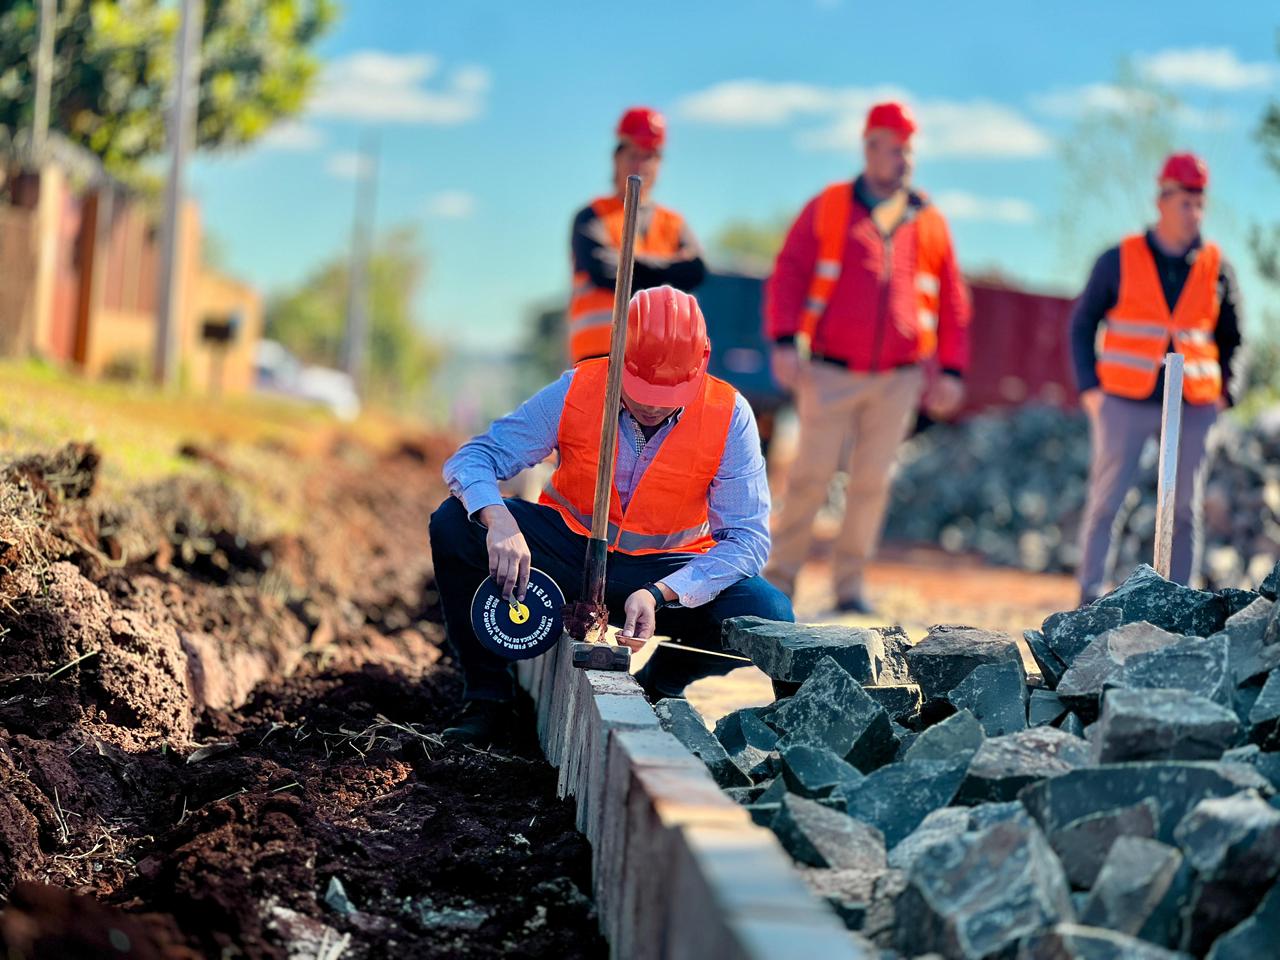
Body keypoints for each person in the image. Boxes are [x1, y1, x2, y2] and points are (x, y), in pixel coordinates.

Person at [430, 286, 793, 745]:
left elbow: (748, 540)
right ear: (618, 350)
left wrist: (664, 593)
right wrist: (498, 520)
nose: (653, 404)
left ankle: (662, 685)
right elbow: (475, 458)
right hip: (570, 555)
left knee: (767, 611)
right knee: (453, 523)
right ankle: (489, 697)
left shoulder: (729, 415)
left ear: (701, 363)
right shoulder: (579, 387)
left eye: (669, 393)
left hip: (666, 572)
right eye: (642, 389)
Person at [763, 101, 971, 614]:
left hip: (898, 379)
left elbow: (952, 298)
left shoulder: (929, 219)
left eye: (910, 150)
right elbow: (788, 272)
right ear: (871, 147)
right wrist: (785, 340)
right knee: (810, 477)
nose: (905, 160)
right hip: (830, 370)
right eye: (896, 149)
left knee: (872, 485)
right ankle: (780, 582)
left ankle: (849, 589)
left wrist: (951, 369)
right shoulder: (830, 205)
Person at [1072, 151, 1245, 602]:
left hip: (1194, 404)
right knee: (1107, 501)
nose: (1194, 213)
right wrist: (1091, 390)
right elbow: (1082, 323)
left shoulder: (1216, 265)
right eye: (1185, 202)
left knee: (1185, 508)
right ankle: (1088, 600)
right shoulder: (1118, 259)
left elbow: (1234, 337)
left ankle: (1177, 601)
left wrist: (1228, 393)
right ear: (1162, 201)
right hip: (1125, 400)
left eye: (1200, 203)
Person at [568, 107, 706, 363]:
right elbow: (604, 271)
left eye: (649, 157)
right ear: (616, 158)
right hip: (597, 355)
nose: (641, 165)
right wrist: (668, 270)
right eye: (633, 155)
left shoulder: (674, 223)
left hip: (659, 358)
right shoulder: (591, 217)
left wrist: (628, 263)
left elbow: (696, 271)